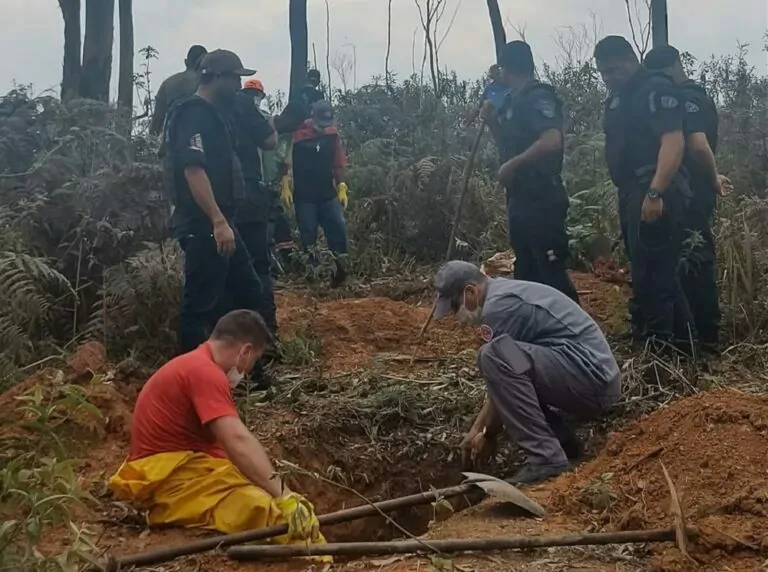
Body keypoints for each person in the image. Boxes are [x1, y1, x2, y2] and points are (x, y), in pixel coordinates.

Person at [108, 310, 328, 552]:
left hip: (181, 472)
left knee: (255, 487)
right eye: (254, 360)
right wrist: (284, 496)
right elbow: (235, 438)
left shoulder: (192, 365)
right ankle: (318, 562)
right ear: (244, 351)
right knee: (268, 512)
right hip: (174, 484)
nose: (248, 372)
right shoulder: (204, 372)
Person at [434, 261, 621, 485]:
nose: (456, 316)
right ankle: (562, 443)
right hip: (588, 375)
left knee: (493, 355)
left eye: (455, 307)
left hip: (593, 379)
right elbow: (513, 375)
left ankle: (547, 459)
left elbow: (505, 368)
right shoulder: (502, 293)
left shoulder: (500, 307)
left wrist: (487, 433)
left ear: (470, 291)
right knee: (500, 358)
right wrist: (477, 429)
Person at [160, 49, 265, 357]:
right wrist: (218, 221)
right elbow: (193, 170)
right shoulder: (192, 114)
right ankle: (192, 379)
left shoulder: (216, 114)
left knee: (248, 291)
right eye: (234, 78)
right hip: (204, 224)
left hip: (222, 222)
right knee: (200, 306)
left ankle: (236, 370)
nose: (237, 86)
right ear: (215, 77)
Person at [596, 36, 696, 350]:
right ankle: (675, 342)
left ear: (631, 58)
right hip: (631, 190)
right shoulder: (619, 98)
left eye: (614, 69)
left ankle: (664, 350)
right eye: (603, 73)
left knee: (656, 273)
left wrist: (655, 193)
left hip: (654, 188)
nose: (609, 77)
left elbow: (673, 142)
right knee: (645, 270)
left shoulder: (654, 89)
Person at [644, 45, 731, 353]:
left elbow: (696, 145)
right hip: (687, 193)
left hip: (686, 193)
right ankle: (696, 339)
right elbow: (695, 144)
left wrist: (712, 177)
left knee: (692, 259)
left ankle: (701, 340)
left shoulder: (683, 97)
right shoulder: (685, 96)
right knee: (690, 258)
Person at [483, 41, 580, 304]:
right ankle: (537, 330)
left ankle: (574, 332)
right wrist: (491, 120)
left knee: (550, 270)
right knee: (526, 269)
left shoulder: (538, 97)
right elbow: (508, 144)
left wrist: (513, 165)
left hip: (542, 196)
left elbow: (551, 140)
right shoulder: (514, 101)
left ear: (506, 68)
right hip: (520, 196)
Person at [226, 78, 278, 335]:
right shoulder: (245, 106)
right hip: (249, 194)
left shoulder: (198, 105)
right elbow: (270, 142)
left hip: (219, 198)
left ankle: (231, 336)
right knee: (259, 266)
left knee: (224, 269)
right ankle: (266, 334)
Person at [283, 100, 350, 288]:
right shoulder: (297, 135)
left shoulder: (332, 136)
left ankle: (340, 274)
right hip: (305, 197)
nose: (324, 127)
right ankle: (313, 278)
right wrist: (285, 183)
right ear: (313, 117)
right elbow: (285, 161)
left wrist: (342, 186)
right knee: (308, 236)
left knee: (337, 230)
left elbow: (338, 163)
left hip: (328, 194)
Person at [150, 45, 207, 136]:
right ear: (204, 64)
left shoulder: (168, 83)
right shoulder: (206, 84)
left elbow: (157, 120)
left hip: (172, 140)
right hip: (200, 140)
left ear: (186, 62)